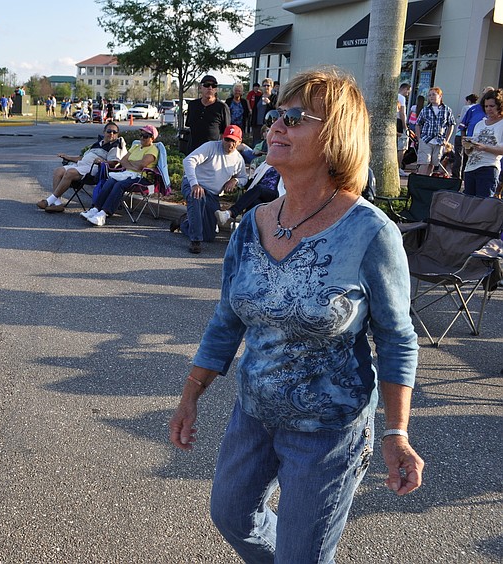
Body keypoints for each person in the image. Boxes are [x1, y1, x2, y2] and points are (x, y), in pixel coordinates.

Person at [169, 66, 424, 562]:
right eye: (276, 115)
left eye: (294, 117)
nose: (276, 126)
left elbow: (397, 339)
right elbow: (226, 320)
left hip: (329, 431)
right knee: (232, 516)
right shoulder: (253, 223)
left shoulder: (370, 232)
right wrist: (189, 396)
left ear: (336, 137)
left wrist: (397, 433)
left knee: (302, 554)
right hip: (253, 413)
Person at [169, 125, 247, 254]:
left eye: (233, 141)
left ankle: (184, 222)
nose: (230, 144)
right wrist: (194, 184)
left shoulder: (238, 160)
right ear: (222, 138)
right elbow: (188, 160)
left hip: (212, 194)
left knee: (209, 236)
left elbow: (244, 177)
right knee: (197, 196)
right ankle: (195, 241)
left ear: (239, 141)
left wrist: (235, 181)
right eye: (227, 139)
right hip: (194, 184)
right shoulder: (211, 147)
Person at [80, 124, 159, 226]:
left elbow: (142, 165)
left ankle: (103, 214)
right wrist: (134, 165)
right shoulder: (136, 146)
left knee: (119, 185)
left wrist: (131, 164)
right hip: (128, 174)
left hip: (142, 178)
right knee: (110, 181)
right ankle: (95, 209)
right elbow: (123, 161)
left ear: (152, 138)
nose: (142, 138)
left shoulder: (153, 149)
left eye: (145, 136)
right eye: (141, 135)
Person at [37, 123, 127, 212]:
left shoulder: (115, 146)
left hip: (93, 169)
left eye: (114, 132)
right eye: (109, 131)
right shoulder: (97, 144)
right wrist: (68, 157)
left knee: (70, 172)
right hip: (81, 165)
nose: (111, 134)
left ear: (117, 134)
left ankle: (49, 201)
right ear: (104, 132)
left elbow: (115, 163)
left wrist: (102, 162)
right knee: (58, 171)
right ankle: (58, 204)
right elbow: (83, 158)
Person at [215, 161, 282, 227]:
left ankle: (231, 212)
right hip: (260, 193)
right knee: (255, 202)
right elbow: (252, 180)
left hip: (276, 194)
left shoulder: (285, 164)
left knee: (259, 188)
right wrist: (236, 181)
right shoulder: (265, 163)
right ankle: (244, 227)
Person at [463, 89, 503, 198]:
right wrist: (467, 146)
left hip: (488, 167)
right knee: (468, 202)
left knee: (483, 204)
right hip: (470, 168)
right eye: (486, 106)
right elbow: (469, 152)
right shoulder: (480, 124)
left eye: (492, 106)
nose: (488, 109)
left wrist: (485, 148)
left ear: (500, 106)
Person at [414, 86, 456, 175]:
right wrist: (419, 138)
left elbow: (451, 124)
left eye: (433, 95)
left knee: (432, 163)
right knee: (425, 162)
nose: (431, 97)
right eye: (429, 95)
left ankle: (427, 179)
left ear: (440, 96)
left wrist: (446, 140)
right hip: (426, 140)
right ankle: (420, 180)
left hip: (439, 141)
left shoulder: (447, 110)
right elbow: (418, 124)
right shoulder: (425, 109)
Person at [185, 75, 231, 153]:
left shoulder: (222, 107)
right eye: (206, 85)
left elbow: (225, 132)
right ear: (200, 87)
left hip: (212, 152)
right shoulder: (192, 105)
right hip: (193, 151)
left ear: (216, 89)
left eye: (213, 86)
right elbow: (189, 125)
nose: (210, 88)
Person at [250, 77, 276, 144]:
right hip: (257, 125)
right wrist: (252, 123)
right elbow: (254, 110)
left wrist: (269, 103)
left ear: (271, 87)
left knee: (267, 143)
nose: (266, 87)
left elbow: (276, 109)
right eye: (264, 85)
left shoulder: (274, 97)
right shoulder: (258, 97)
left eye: (268, 85)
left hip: (267, 125)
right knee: (256, 143)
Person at [397, 83, 411, 176]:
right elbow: (402, 113)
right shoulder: (401, 98)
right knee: (402, 147)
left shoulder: (394, 95)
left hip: (393, 121)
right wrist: (405, 126)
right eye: (408, 91)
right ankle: (398, 167)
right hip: (399, 122)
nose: (408, 94)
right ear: (405, 89)